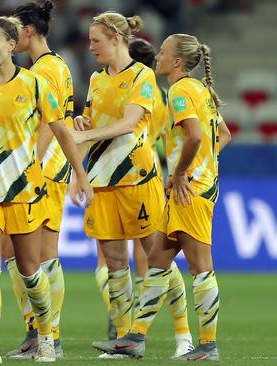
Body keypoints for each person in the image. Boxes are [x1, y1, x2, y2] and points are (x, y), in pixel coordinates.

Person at [0, 16, 93, 364]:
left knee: (29, 270)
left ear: (11, 45)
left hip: (25, 191)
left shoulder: (36, 84)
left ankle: (45, 336)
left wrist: (80, 173)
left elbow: (60, 130)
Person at [91, 33, 232, 361]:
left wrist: (182, 171)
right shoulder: (202, 90)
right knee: (157, 262)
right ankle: (134, 338)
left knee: (200, 268)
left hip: (190, 191)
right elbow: (222, 135)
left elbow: (196, 136)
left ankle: (208, 345)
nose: (157, 57)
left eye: (164, 53)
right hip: (195, 186)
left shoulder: (181, 90)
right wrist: (202, 165)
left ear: (177, 62)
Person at [69, 11, 165, 345]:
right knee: (113, 261)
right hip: (101, 180)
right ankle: (125, 337)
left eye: (96, 40)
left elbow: (128, 124)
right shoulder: (96, 79)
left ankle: (181, 333)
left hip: (137, 178)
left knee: (157, 258)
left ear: (116, 38)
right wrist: (78, 173)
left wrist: (86, 135)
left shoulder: (142, 76)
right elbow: (87, 121)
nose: (90, 47)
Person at [0, 1, 74, 359]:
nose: (10, 38)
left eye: (14, 30)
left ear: (27, 31)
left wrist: (33, 161)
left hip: (44, 169)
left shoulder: (46, 69)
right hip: (44, 167)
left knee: (41, 255)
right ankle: (37, 329)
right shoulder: (49, 66)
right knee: (14, 252)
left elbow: (49, 121)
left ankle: (49, 335)